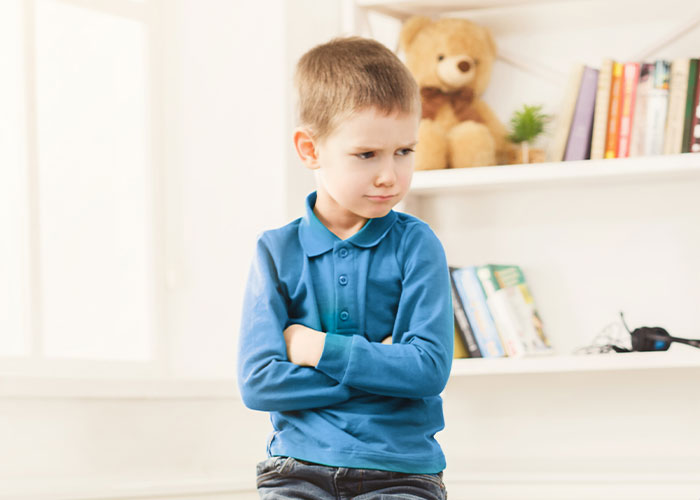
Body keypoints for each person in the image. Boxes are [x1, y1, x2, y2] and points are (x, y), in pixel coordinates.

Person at [237, 36, 453, 500]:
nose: (389, 176)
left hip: (402, 473)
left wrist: (315, 347)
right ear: (310, 150)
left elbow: (428, 371)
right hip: (296, 470)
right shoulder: (275, 251)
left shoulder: (417, 244)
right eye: (366, 154)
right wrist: (381, 367)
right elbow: (259, 384)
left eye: (404, 151)